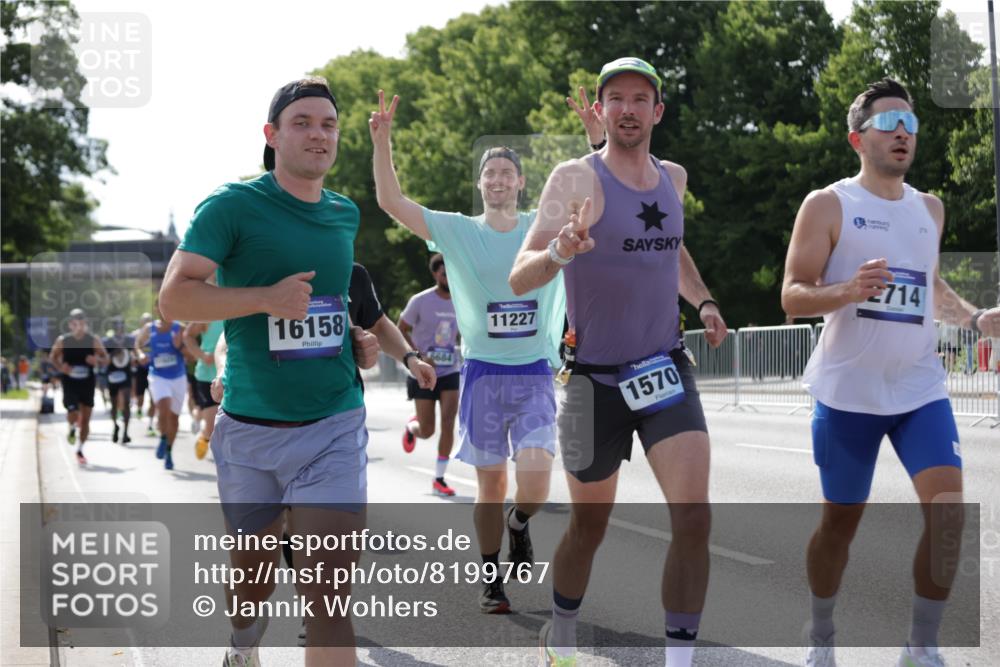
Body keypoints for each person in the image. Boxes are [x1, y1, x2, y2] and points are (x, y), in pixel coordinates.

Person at [508, 56, 728, 667]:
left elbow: (672, 248)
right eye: (616, 99)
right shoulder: (575, 179)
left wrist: (704, 300)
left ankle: (678, 659)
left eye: (639, 99)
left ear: (657, 111)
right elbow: (521, 274)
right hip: (589, 384)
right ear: (600, 111)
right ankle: (564, 627)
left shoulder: (672, 178)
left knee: (694, 518)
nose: (627, 108)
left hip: (663, 369)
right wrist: (559, 248)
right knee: (589, 527)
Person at [159, 76, 380, 667]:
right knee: (251, 582)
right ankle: (242, 646)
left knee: (329, 596)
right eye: (302, 122)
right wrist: (264, 299)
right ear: (272, 135)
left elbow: (328, 309)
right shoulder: (232, 205)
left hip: (332, 425)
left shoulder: (343, 213)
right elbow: (175, 300)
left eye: (328, 124)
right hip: (251, 433)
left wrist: (358, 342)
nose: (318, 134)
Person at [780, 77, 1000, 667]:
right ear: (858, 138)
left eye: (911, 124)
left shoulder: (930, 207)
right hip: (848, 394)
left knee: (949, 515)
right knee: (838, 529)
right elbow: (793, 296)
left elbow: (929, 288)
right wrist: (848, 289)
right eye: (889, 123)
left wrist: (976, 318)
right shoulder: (829, 205)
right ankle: (821, 632)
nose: (904, 132)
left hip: (918, 388)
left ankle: (921, 645)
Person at [370, 86, 604, 613]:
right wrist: (382, 142)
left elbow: (597, 192)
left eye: (507, 173)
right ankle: (491, 579)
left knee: (537, 481)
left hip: (536, 373)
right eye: (489, 173)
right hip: (482, 374)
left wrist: (597, 135)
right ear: (481, 185)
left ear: (521, 182)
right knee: (490, 486)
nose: (498, 180)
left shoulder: (540, 228)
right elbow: (391, 203)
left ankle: (520, 523)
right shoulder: (455, 232)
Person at [398, 253, 461, 496]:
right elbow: (400, 328)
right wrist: (419, 355)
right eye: (444, 273)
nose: (448, 278)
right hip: (423, 371)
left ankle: (439, 478)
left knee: (448, 421)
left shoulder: (461, 300)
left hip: (449, 370)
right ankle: (412, 427)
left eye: (451, 274)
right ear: (436, 274)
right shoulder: (420, 300)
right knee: (427, 430)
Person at [49, 309, 109, 464]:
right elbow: (53, 357)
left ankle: (80, 449)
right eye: (76, 323)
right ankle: (72, 427)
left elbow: (106, 358)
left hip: (87, 382)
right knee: (73, 412)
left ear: (86, 324)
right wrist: (61, 368)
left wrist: (96, 360)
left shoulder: (93, 340)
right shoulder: (63, 340)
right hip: (70, 382)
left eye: (82, 323)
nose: (79, 327)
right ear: (70, 325)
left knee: (86, 419)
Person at [135, 314, 187, 470]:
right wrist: (141, 354)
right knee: (163, 407)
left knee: (174, 417)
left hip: (178, 377)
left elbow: (190, 355)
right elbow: (137, 345)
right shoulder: (149, 329)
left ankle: (169, 451)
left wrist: (180, 347)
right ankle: (163, 437)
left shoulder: (180, 328)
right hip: (158, 376)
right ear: (159, 310)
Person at [184, 318, 224, 459]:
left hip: (233, 375)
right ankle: (204, 437)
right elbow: (188, 335)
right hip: (208, 377)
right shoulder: (209, 313)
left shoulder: (240, 310)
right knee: (211, 426)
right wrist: (202, 355)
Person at [102, 318, 135, 444]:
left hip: (126, 374)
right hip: (112, 375)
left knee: (126, 402)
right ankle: (115, 425)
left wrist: (135, 357)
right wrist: (114, 353)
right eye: (117, 326)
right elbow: (104, 360)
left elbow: (134, 354)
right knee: (114, 404)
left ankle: (126, 432)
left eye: (121, 325)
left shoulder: (129, 340)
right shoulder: (107, 342)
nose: (120, 328)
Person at [131, 312, 156, 434]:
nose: (147, 323)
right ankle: (140, 409)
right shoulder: (136, 335)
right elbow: (132, 350)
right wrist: (136, 359)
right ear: (141, 323)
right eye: (145, 320)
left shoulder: (156, 333)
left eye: (149, 320)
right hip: (141, 369)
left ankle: (150, 424)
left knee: (153, 398)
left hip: (155, 369)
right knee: (140, 396)